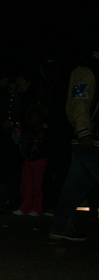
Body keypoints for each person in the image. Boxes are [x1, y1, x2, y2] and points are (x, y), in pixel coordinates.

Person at [48, 48, 99, 241]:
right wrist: (83, 130)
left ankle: (60, 227)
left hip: (89, 139)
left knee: (75, 187)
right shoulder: (87, 70)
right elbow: (79, 101)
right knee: (75, 186)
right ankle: (60, 226)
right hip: (91, 139)